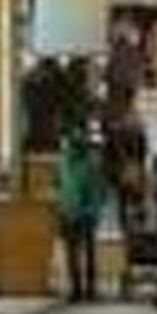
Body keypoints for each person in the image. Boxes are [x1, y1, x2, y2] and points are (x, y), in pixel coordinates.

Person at [56, 128, 106, 302]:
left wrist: (65, 206)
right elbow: (96, 190)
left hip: (76, 213)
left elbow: (63, 188)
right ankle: (83, 289)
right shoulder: (80, 164)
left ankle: (82, 289)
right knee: (81, 253)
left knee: (77, 253)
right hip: (78, 214)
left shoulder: (69, 164)